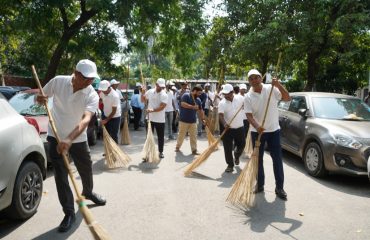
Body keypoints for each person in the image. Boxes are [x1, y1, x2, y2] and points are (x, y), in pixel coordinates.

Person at [37, 59, 106, 233]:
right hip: (55, 136)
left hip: (78, 138)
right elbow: (40, 98)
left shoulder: (91, 93)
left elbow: (86, 119)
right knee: (61, 175)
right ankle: (68, 212)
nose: (90, 82)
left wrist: (69, 139)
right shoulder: (58, 81)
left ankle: (88, 192)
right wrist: (39, 98)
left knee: (86, 167)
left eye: (92, 79)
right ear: (75, 74)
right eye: (87, 78)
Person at [244, 69, 290, 200]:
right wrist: (257, 126)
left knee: (277, 159)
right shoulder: (248, 96)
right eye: (251, 78)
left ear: (261, 78)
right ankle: (260, 184)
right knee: (258, 160)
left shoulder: (271, 88)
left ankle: (279, 187)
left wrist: (279, 85)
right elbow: (248, 115)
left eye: (256, 77)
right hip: (257, 133)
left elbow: (287, 98)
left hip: (274, 131)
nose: (254, 80)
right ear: (249, 81)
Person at [218, 84, 246, 173]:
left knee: (242, 145)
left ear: (232, 92)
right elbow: (221, 116)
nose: (226, 95)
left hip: (239, 127)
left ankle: (237, 155)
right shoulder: (222, 103)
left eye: (227, 93)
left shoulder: (240, 98)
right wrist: (224, 123)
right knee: (227, 148)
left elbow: (247, 105)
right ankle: (230, 165)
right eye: (224, 94)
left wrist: (244, 106)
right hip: (228, 129)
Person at [141, 78, 168, 159]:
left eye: (163, 86)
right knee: (149, 136)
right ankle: (148, 152)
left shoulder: (164, 95)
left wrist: (152, 110)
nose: (162, 88)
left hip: (160, 119)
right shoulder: (150, 92)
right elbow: (143, 101)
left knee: (160, 136)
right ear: (156, 85)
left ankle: (160, 152)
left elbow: (162, 107)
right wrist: (142, 93)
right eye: (160, 86)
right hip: (149, 118)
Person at [175, 85, 206, 155]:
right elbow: (182, 104)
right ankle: (178, 146)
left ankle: (194, 150)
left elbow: (201, 110)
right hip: (183, 120)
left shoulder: (198, 100)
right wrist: (192, 107)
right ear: (194, 91)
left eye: (200, 93)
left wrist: (203, 119)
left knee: (194, 136)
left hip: (193, 121)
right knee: (181, 135)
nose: (200, 95)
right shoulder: (186, 96)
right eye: (199, 93)